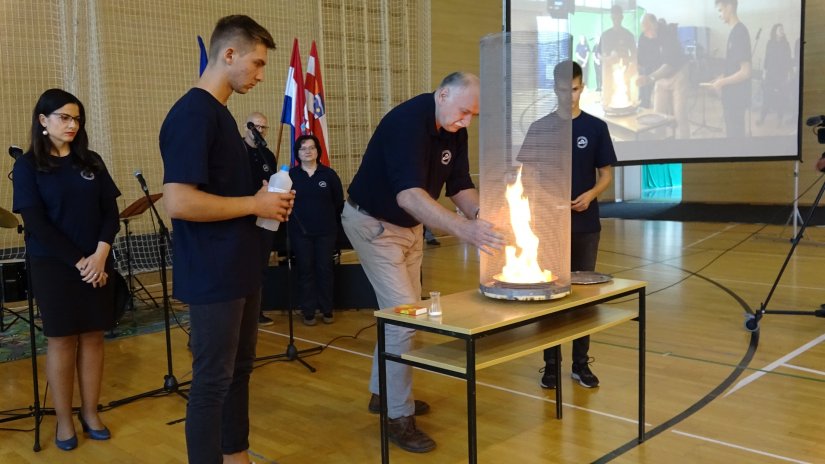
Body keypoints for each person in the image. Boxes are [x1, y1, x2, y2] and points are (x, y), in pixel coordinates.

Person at [342, 72, 503, 453]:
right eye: (463, 112)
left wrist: (483, 216)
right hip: (374, 225)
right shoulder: (406, 123)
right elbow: (410, 196)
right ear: (443, 94)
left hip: (410, 229)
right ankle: (398, 416)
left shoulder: (454, 129)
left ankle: (382, 394)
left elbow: (460, 185)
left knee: (403, 316)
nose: (465, 122)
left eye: (471, 117)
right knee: (403, 320)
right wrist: (464, 231)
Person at [159, 15, 293, 464]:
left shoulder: (221, 116)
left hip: (240, 267)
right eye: (256, 64)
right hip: (212, 272)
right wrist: (254, 205)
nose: (259, 75)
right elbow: (178, 201)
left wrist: (262, 201)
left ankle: (237, 455)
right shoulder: (193, 114)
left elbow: (226, 194)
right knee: (212, 380)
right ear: (229, 54)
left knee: (238, 371)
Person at [12, 88, 121, 451]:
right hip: (54, 266)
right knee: (61, 340)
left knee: (93, 337)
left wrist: (100, 255)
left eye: (76, 118)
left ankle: (90, 412)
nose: (72, 124)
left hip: (97, 262)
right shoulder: (28, 166)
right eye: (64, 117)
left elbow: (111, 212)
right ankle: (63, 419)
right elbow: (37, 223)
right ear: (43, 120)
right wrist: (81, 263)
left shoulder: (91, 161)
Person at [518, 61, 617, 390]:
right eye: (562, 90)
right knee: (551, 295)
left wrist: (590, 194)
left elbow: (606, 175)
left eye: (574, 89)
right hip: (549, 225)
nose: (568, 96)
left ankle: (580, 363)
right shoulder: (540, 127)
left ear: (582, 87)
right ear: (554, 89)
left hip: (586, 225)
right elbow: (528, 175)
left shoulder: (596, 127)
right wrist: (545, 199)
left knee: (584, 296)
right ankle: (550, 364)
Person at [288, 134, 344, 326]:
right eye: (303, 148)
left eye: (311, 148)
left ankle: (327, 309)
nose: (308, 151)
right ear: (298, 153)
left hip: (326, 232)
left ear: (318, 151)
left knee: (325, 270)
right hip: (300, 233)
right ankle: (308, 311)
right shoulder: (291, 176)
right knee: (305, 271)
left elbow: (337, 202)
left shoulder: (329, 175)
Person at [243, 111, 278, 327]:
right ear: (246, 127)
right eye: (256, 126)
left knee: (261, 264)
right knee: (244, 265)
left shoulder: (268, 155)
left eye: (264, 127)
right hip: (243, 216)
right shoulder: (236, 152)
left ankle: (258, 310)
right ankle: (243, 311)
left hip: (265, 218)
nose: (260, 131)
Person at [636, 16, 692, 139]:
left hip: (678, 74)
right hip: (659, 78)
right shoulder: (644, 37)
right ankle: (660, 146)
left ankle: (686, 148)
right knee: (658, 115)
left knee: (679, 115)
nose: (647, 33)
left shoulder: (668, 34)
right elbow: (639, 61)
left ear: (656, 24)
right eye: (644, 30)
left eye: (649, 28)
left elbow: (669, 65)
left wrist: (649, 78)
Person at [710, 0, 752, 138]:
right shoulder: (734, 32)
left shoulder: (739, 32)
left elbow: (746, 72)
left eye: (720, 10)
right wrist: (723, 76)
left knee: (735, 137)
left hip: (736, 98)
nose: (719, 14)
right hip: (731, 97)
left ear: (729, 7)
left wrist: (722, 83)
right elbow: (734, 68)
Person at [599, 4, 638, 111]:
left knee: (625, 98)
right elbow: (598, 54)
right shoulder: (605, 35)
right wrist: (606, 59)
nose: (616, 19)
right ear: (611, 17)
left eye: (618, 17)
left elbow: (635, 54)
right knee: (609, 101)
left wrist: (631, 65)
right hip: (608, 73)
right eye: (614, 17)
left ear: (622, 17)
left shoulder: (628, 35)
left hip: (625, 72)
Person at [759, 24, 792, 125]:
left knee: (780, 97)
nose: (782, 30)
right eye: (780, 29)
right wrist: (764, 72)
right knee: (767, 96)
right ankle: (762, 119)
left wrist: (789, 74)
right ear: (775, 31)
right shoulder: (770, 43)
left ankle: (779, 120)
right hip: (770, 74)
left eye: (782, 29)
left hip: (782, 74)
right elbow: (767, 58)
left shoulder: (786, 44)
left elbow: (788, 60)